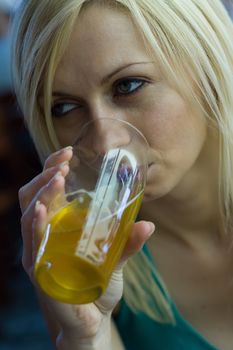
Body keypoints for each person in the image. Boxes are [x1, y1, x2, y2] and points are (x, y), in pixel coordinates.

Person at [11, 0, 233, 349]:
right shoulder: (78, 249)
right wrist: (86, 336)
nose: (105, 142)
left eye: (128, 85)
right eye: (64, 108)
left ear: (204, 62)